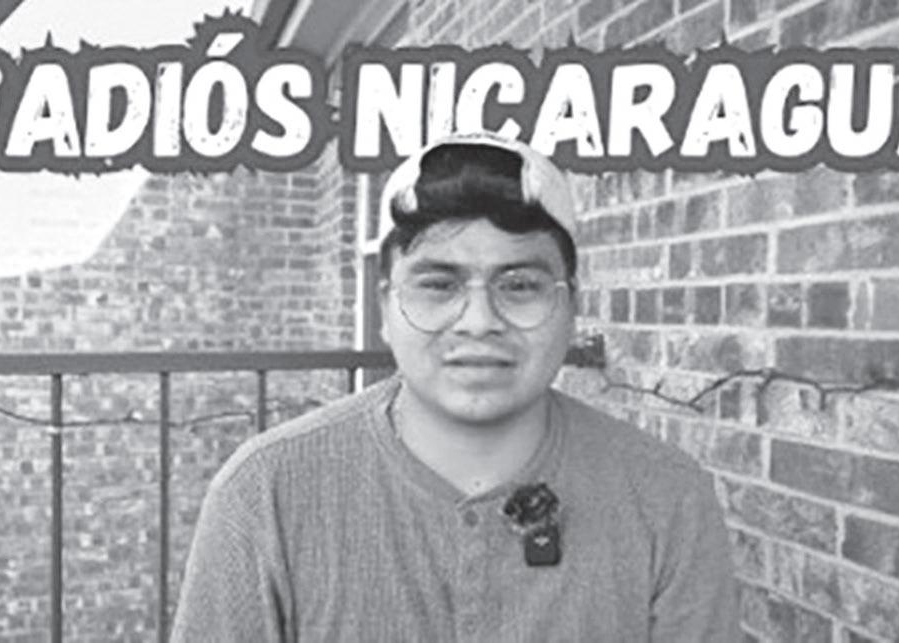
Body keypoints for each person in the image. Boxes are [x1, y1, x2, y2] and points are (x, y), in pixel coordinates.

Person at [170, 131, 739, 642]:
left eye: (520, 285)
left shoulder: (666, 499)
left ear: (571, 308)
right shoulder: (265, 495)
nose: (479, 321)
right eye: (439, 284)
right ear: (386, 308)